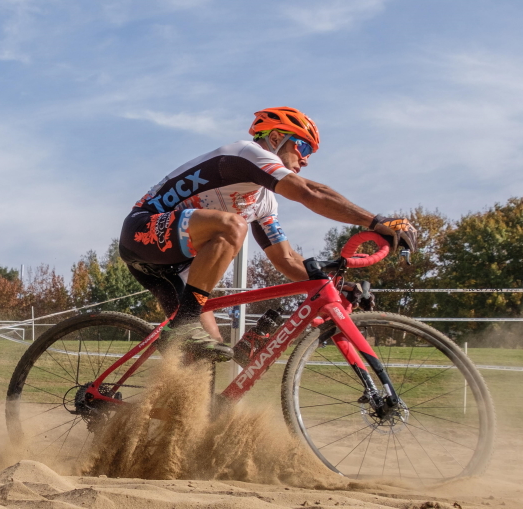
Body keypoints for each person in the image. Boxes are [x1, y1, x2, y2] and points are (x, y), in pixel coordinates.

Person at [118, 106, 418, 361]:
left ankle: (154, 418)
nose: (306, 159)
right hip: (143, 229)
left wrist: (336, 287)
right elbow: (311, 192)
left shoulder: (263, 201)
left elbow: (286, 259)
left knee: (207, 354)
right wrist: (377, 221)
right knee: (233, 226)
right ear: (275, 138)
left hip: (178, 267)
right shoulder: (246, 154)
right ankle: (184, 323)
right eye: (303, 147)